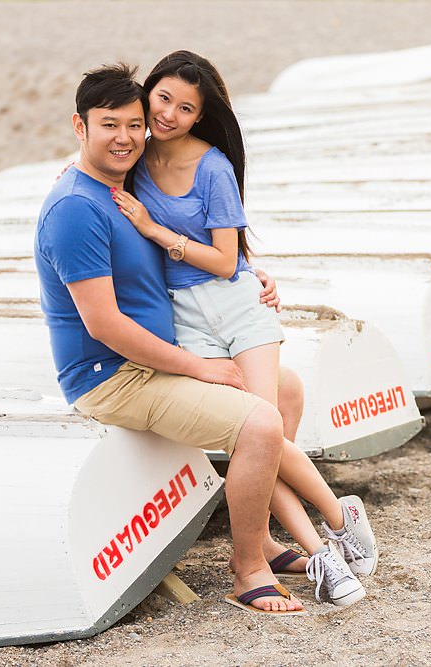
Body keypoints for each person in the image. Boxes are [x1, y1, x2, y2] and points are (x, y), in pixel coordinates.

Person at [35, 62, 306, 614]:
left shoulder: (121, 185)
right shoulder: (76, 208)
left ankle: (269, 541)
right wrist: (196, 366)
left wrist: (253, 276)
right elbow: (104, 325)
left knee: (289, 389)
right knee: (258, 424)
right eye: (109, 125)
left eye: (135, 125)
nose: (126, 137)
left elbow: (188, 249)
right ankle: (248, 568)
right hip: (113, 377)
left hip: (154, 360)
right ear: (79, 125)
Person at [110, 51, 378, 606]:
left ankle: (327, 536)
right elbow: (95, 158)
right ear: (147, 93)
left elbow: (225, 260)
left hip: (235, 305)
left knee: (264, 434)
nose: (169, 115)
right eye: (163, 99)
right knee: (255, 435)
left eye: (186, 108)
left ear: (200, 116)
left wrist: (154, 230)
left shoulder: (212, 167)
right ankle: (331, 529)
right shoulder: (133, 161)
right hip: (186, 314)